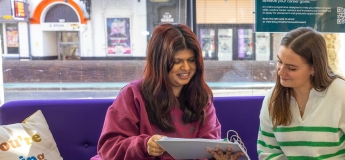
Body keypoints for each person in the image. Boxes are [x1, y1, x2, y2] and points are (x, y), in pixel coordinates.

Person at [91, 23, 242, 160]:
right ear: (160, 63)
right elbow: (108, 147)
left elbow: (209, 145)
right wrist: (144, 145)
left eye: (191, 60)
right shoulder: (133, 94)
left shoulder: (201, 98)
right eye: (177, 62)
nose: (186, 68)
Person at [257, 27, 345, 159]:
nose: (281, 72)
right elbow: (268, 152)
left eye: (292, 68)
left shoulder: (342, 94)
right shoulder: (272, 98)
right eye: (279, 61)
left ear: (313, 68)